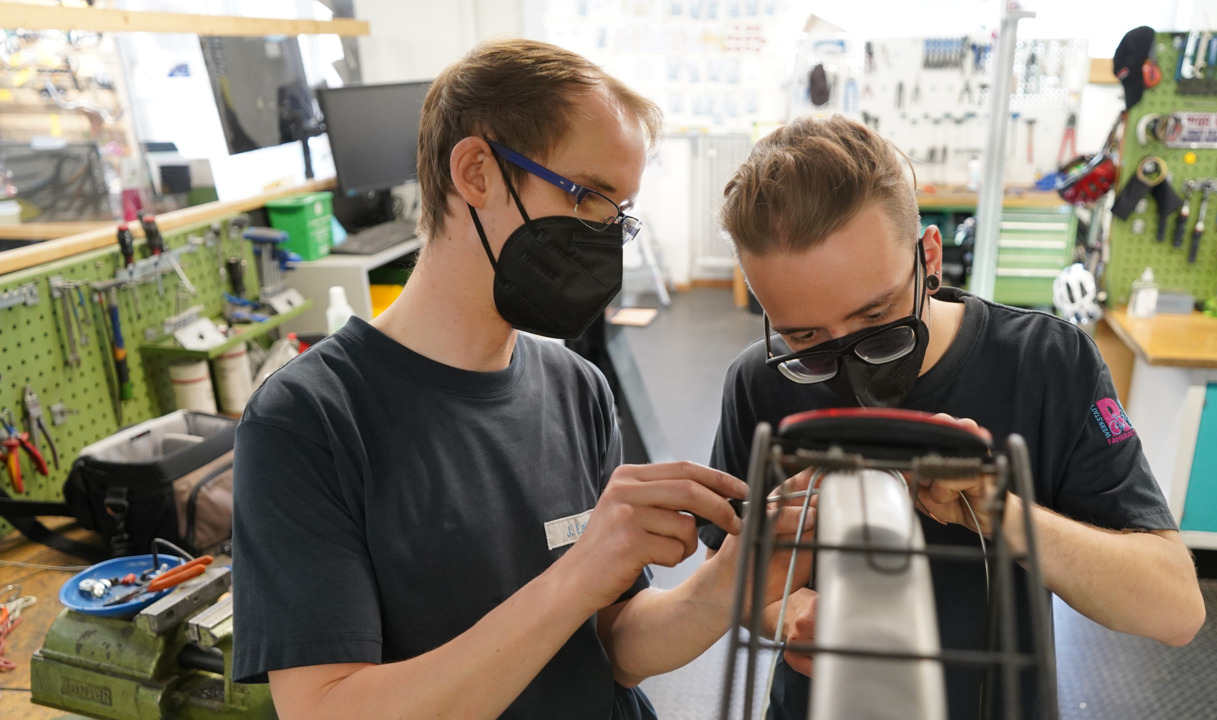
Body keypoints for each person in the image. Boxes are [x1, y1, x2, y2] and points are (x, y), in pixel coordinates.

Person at [232, 39, 807, 720]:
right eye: (589, 196)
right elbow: (327, 709)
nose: (603, 234)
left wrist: (725, 586)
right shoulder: (308, 421)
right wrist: (577, 576)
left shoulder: (577, 387)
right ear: (476, 172)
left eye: (618, 214)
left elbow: (612, 645)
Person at [699, 115, 1206, 719]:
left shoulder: (1048, 364)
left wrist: (1002, 513)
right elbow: (729, 571)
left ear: (929, 256)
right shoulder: (761, 380)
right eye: (804, 336)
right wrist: (788, 610)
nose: (850, 361)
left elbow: (1174, 610)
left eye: (875, 318)